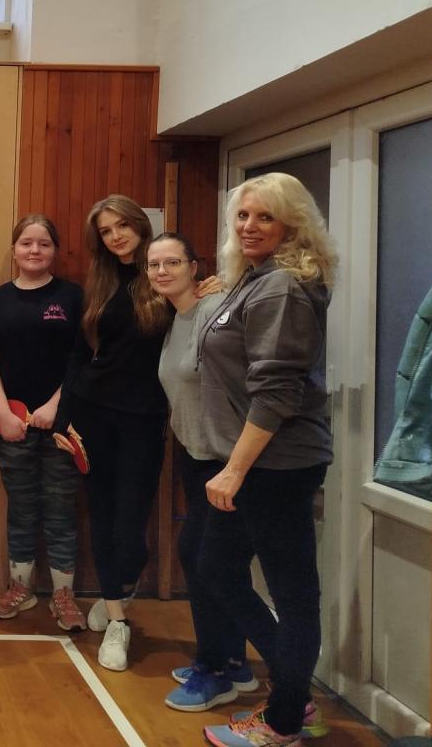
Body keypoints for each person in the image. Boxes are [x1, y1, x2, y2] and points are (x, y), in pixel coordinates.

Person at [198, 173, 336, 747]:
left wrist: (235, 469)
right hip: (255, 461)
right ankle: (293, 692)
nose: (249, 226)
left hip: (276, 464)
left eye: (265, 217)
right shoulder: (255, 280)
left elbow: (277, 391)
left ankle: (281, 724)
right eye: (242, 215)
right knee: (215, 568)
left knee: (293, 593)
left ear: (292, 225)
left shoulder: (280, 287)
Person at [54, 195, 172, 673]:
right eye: (106, 231)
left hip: (144, 418)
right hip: (93, 414)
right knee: (102, 517)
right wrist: (63, 418)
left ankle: (117, 590)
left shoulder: (162, 277)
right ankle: (118, 619)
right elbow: (79, 356)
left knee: (131, 528)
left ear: (140, 225)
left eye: (122, 225)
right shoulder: (99, 284)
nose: (116, 236)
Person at [144, 232, 259, 711]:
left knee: (201, 558)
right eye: (154, 264)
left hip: (230, 461)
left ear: (195, 267)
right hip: (196, 457)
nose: (162, 271)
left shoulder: (215, 312)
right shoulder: (176, 319)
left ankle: (215, 670)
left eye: (173, 262)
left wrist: (237, 463)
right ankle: (233, 661)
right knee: (214, 562)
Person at [0, 214, 88, 632]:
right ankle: (20, 587)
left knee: (60, 508)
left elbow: (83, 359)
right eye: (26, 243)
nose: (34, 250)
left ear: (54, 250)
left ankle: (63, 595)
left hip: (63, 426)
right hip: (12, 425)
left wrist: (56, 405)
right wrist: (4, 414)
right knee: (21, 508)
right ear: (14, 249)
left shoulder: (74, 297)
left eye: (43, 243)